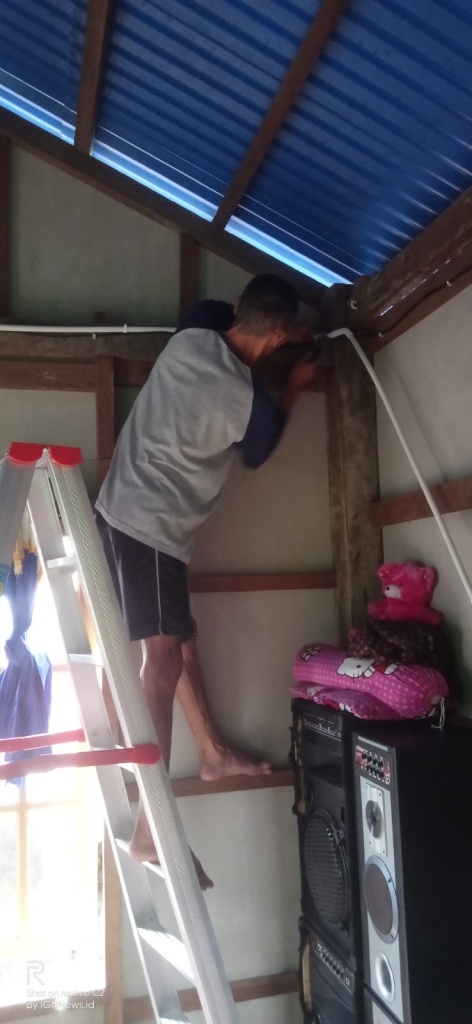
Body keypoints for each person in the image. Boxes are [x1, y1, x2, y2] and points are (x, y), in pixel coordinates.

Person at [95, 273, 319, 888]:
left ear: (240, 306)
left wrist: (281, 335)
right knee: (162, 662)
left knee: (180, 640)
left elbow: (229, 318)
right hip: (150, 527)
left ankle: (213, 755)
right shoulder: (252, 403)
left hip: (122, 510)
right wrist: (296, 383)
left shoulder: (195, 326)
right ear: (280, 336)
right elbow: (259, 449)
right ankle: (150, 826)